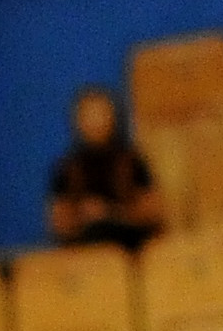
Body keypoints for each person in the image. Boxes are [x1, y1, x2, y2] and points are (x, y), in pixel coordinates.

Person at [46, 82, 164, 251]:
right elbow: (59, 223)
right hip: (84, 249)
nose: (95, 122)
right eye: (88, 115)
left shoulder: (132, 161)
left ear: (113, 116)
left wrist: (111, 213)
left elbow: (153, 211)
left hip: (130, 246)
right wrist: (83, 215)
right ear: (77, 120)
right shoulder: (67, 169)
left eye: (100, 114)